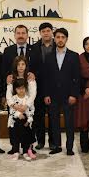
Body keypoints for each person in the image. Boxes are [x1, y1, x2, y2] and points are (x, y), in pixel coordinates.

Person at [43, 28, 80, 155]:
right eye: (58, 37)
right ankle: (57, 146)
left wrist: (74, 94)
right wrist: (46, 94)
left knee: (69, 122)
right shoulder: (49, 56)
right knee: (54, 122)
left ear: (66, 39)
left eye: (63, 37)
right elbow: (46, 78)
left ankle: (69, 147)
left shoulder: (74, 56)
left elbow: (77, 77)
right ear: (54, 39)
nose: (60, 39)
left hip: (68, 95)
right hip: (53, 95)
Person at [6, 55, 37, 155]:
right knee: (14, 129)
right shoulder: (11, 78)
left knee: (27, 128)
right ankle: (15, 148)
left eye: (23, 64)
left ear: (26, 65)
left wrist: (26, 106)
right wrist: (14, 106)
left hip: (27, 108)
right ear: (15, 66)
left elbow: (33, 94)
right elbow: (8, 94)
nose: (20, 66)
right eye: (18, 64)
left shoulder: (30, 78)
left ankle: (27, 148)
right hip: (15, 107)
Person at [33, 22, 55, 150]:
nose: (46, 33)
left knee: (53, 116)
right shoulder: (34, 47)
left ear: (52, 32)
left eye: (48, 31)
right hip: (38, 87)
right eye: (43, 31)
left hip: (54, 87)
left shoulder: (58, 46)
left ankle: (53, 142)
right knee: (38, 116)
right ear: (40, 33)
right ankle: (40, 141)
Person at [7, 78, 37, 160]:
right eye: (18, 88)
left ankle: (25, 152)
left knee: (26, 137)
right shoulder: (13, 98)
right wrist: (18, 114)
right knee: (15, 137)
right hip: (15, 121)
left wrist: (29, 119)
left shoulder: (28, 99)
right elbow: (11, 110)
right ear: (15, 89)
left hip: (26, 121)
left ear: (26, 89)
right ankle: (16, 152)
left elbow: (32, 110)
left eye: (23, 88)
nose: (21, 90)